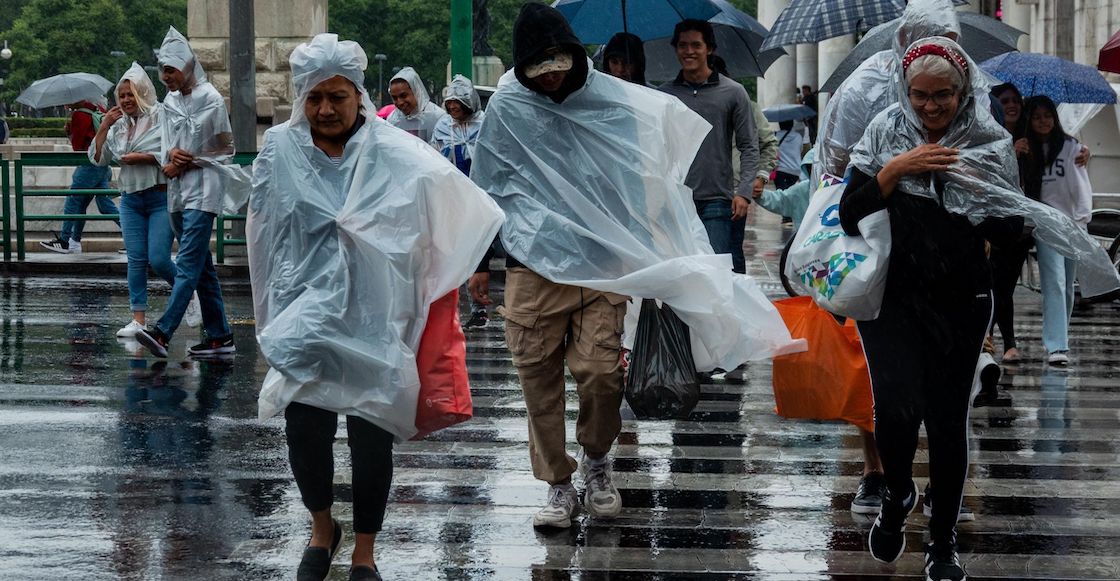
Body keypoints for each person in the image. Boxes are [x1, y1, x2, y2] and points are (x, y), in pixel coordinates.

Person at [469, 2, 800, 530]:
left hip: (605, 265)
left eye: (558, 62)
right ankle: (557, 483)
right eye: (538, 66)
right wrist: (481, 261)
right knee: (537, 380)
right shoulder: (509, 106)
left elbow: (643, 179)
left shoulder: (612, 101)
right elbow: (490, 184)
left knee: (602, 375)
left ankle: (597, 460)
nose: (550, 75)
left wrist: (653, 245)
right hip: (535, 265)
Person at [842, 36, 1118, 581]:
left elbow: (1013, 233)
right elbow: (850, 214)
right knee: (895, 411)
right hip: (893, 297)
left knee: (948, 419)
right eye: (920, 95)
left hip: (962, 298)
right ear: (905, 90)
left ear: (963, 90)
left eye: (942, 95)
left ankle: (942, 543)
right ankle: (896, 495)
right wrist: (896, 170)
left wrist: (971, 188)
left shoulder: (990, 141)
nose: (930, 106)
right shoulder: (884, 132)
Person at [249, 33, 502, 581]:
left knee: (371, 437)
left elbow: (456, 207)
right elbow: (264, 233)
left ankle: (365, 549)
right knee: (305, 431)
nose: (325, 109)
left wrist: (442, 276)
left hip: (377, 317)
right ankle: (323, 529)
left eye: (337, 97)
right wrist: (272, 313)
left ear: (358, 96)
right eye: (314, 98)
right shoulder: (280, 149)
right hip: (304, 315)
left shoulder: (394, 151)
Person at [135, 26, 235, 359]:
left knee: (189, 262)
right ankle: (220, 336)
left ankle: (163, 332)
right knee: (202, 268)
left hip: (204, 192)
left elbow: (225, 148)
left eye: (170, 70)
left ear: (187, 66)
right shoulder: (171, 101)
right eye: (162, 70)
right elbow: (166, 143)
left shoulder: (212, 98)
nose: (165, 77)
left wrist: (189, 159)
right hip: (177, 191)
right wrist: (172, 156)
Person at [89, 63, 184, 338]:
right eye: (122, 96)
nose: (126, 100)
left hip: (159, 196)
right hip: (130, 199)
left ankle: (188, 294)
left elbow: (172, 151)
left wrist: (143, 158)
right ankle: (138, 319)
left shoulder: (161, 117)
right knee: (136, 260)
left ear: (142, 93)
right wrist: (104, 126)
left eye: (130, 94)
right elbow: (98, 159)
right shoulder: (119, 125)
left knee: (159, 259)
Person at [658, 19, 759, 276]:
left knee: (716, 275)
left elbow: (749, 145)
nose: (689, 51)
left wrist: (744, 192)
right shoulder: (663, 95)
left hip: (717, 200)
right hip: (675, 200)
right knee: (679, 277)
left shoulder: (733, 92)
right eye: (682, 45)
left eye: (696, 45)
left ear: (709, 49)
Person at [1020, 96, 1093, 367]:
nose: (1043, 121)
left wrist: (1083, 218)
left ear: (1055, 117)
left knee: (1068, 286)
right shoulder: (1026, 148)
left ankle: (1059, 335)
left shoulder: (1071, 146)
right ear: (1030, 120)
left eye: (1047, 115)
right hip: (1046, 224)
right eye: (1037, 116)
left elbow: (1081, 184)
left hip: (1072, 225)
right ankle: (1056, 345)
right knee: (1055, 282)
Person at [430, 74, 490, 328]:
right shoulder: (443, 127)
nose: (453, 107)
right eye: (450, 103)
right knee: (462, 251)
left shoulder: (485, 123)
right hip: (455, 195)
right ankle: (474, 308)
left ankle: (482, 303)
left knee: (482, 248)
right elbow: (434, 155)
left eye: (458, 103)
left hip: (483, 193)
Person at [40, 99, 119, 254]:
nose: (65, 102)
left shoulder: (79, 115)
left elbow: (77, 147)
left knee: (73, 199)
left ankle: (64, 241)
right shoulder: (98, 109)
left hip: (89, 165)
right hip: (102, 163)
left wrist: (70, 132)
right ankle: (75, 241)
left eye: (67, 99)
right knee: (101, 206)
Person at [386, 67, 443, 142]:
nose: (400, 102)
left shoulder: (438, 117)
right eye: (394, 98)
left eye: (403, 96)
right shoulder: (392, 120)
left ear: (416, 92)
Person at [774, 120, 802, 190]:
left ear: (780, 124)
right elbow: (800, 150)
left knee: (781, 193)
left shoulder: (775, 135)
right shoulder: (798, 136)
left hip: (780, 170)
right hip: (795, 171)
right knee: (791, 193)